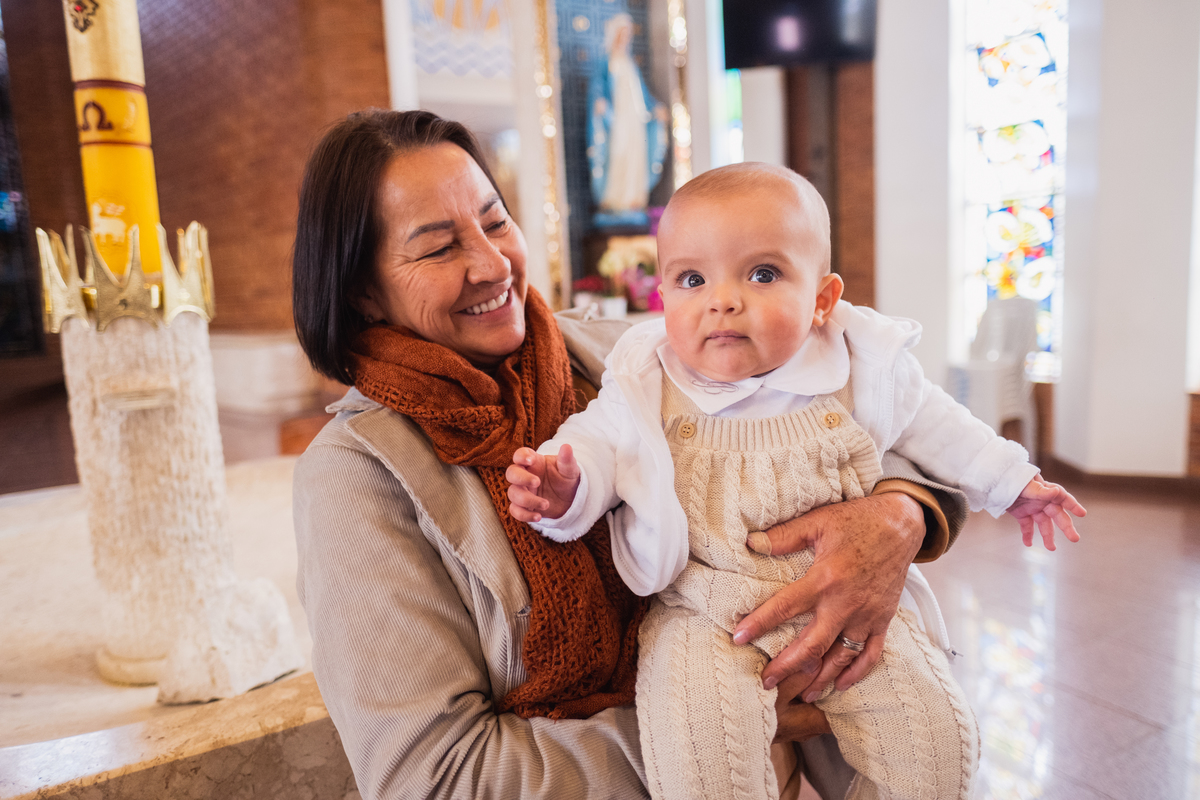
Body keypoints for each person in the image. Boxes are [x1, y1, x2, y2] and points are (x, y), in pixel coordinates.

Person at [291, 109, 973, 800]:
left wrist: (898, 515)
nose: (493, 263)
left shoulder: (630, 353)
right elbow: (433, 778)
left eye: (496, 222)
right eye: (438, 248)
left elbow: (850, 401)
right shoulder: (356, 477)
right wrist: (723, 728)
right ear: (363, 292)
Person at [507, 163, 1085, 800]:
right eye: (692, 278)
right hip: (704, 613)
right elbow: (595, 445)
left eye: (762, 274)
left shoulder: (857, 360)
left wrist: (1013, 481)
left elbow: (939, 427)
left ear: (822, 299)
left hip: (853, 610)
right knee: (702, 758)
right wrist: (563, 487)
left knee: (939, 743)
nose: (723, 299)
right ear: (664, 296)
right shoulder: (646, 380)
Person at [587, 13, 668, 226]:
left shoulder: (631, 64)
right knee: (617, 155)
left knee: (635, 157)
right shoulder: (606, 62)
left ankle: (632, 200)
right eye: (621, 34)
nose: (625, 38)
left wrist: (656, 108)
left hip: (635, 122)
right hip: (616, 122)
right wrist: (599, 101)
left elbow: (642, 96)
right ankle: (613, 200)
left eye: (628, 35)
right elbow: (597, 87)